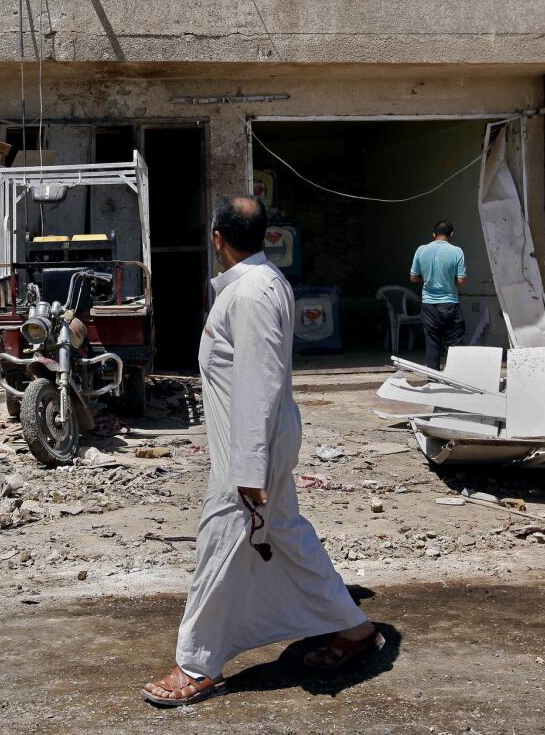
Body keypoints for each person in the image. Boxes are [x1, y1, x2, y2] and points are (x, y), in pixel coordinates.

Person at [142, 196, 383, 708]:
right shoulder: (256, 286)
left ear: (217, 239)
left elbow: (259, 384)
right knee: (287, 536)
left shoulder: (251, 293)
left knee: (220, 545)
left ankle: (196, 663)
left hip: (249, 454)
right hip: (255, 446)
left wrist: (248, 467)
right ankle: (356, 630)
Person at [410, 220, 467, 370]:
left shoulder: (421, 250)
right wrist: (449, 278)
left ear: (433, 234)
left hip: (428, 305)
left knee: (432, 343)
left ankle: (432, 380)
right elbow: (461, 281)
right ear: (452, 234)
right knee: (455, 344)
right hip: (449, 304)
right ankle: (455, 377)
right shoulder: (457, 251)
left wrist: (428, 278)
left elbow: (413, 277)